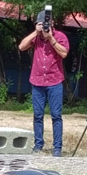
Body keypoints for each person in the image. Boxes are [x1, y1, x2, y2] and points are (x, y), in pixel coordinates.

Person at [19, 10, 69, 157]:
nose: (45, 26)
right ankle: (38, 144)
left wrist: (51, 38)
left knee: (56, 115)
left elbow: (64, 53)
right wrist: (36, 32)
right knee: (38, 115)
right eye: (41, 24)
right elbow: (21, 47)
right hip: (37, 80)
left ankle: (57, 148)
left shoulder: (60, 36)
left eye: (47, 23)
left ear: (52, 24)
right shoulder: (36, 38)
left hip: (54, 81)